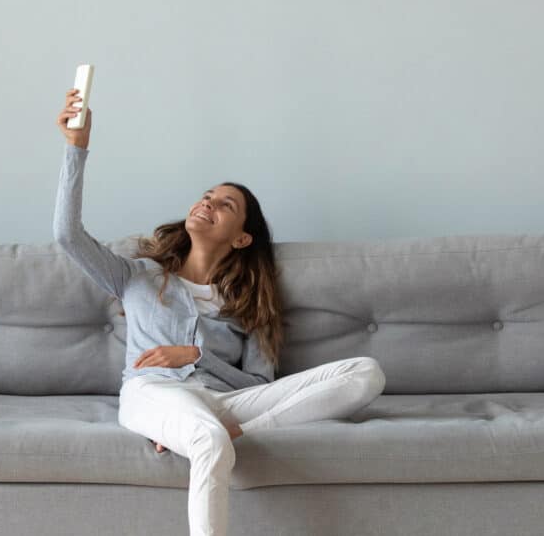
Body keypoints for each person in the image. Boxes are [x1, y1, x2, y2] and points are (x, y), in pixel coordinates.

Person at [53, 87, 386, 536]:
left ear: (242, 238)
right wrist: (77, 148)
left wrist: (197, 358)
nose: (207, 202)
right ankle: (214, 431)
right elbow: (67, 236)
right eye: (207, 196)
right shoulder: (136, 275)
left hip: (232, 406)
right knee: (206, 436)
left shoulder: (248, 305)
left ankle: (239, 431)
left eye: (225, 205)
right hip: (154, 390)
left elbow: (261, 385)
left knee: (366, 373)